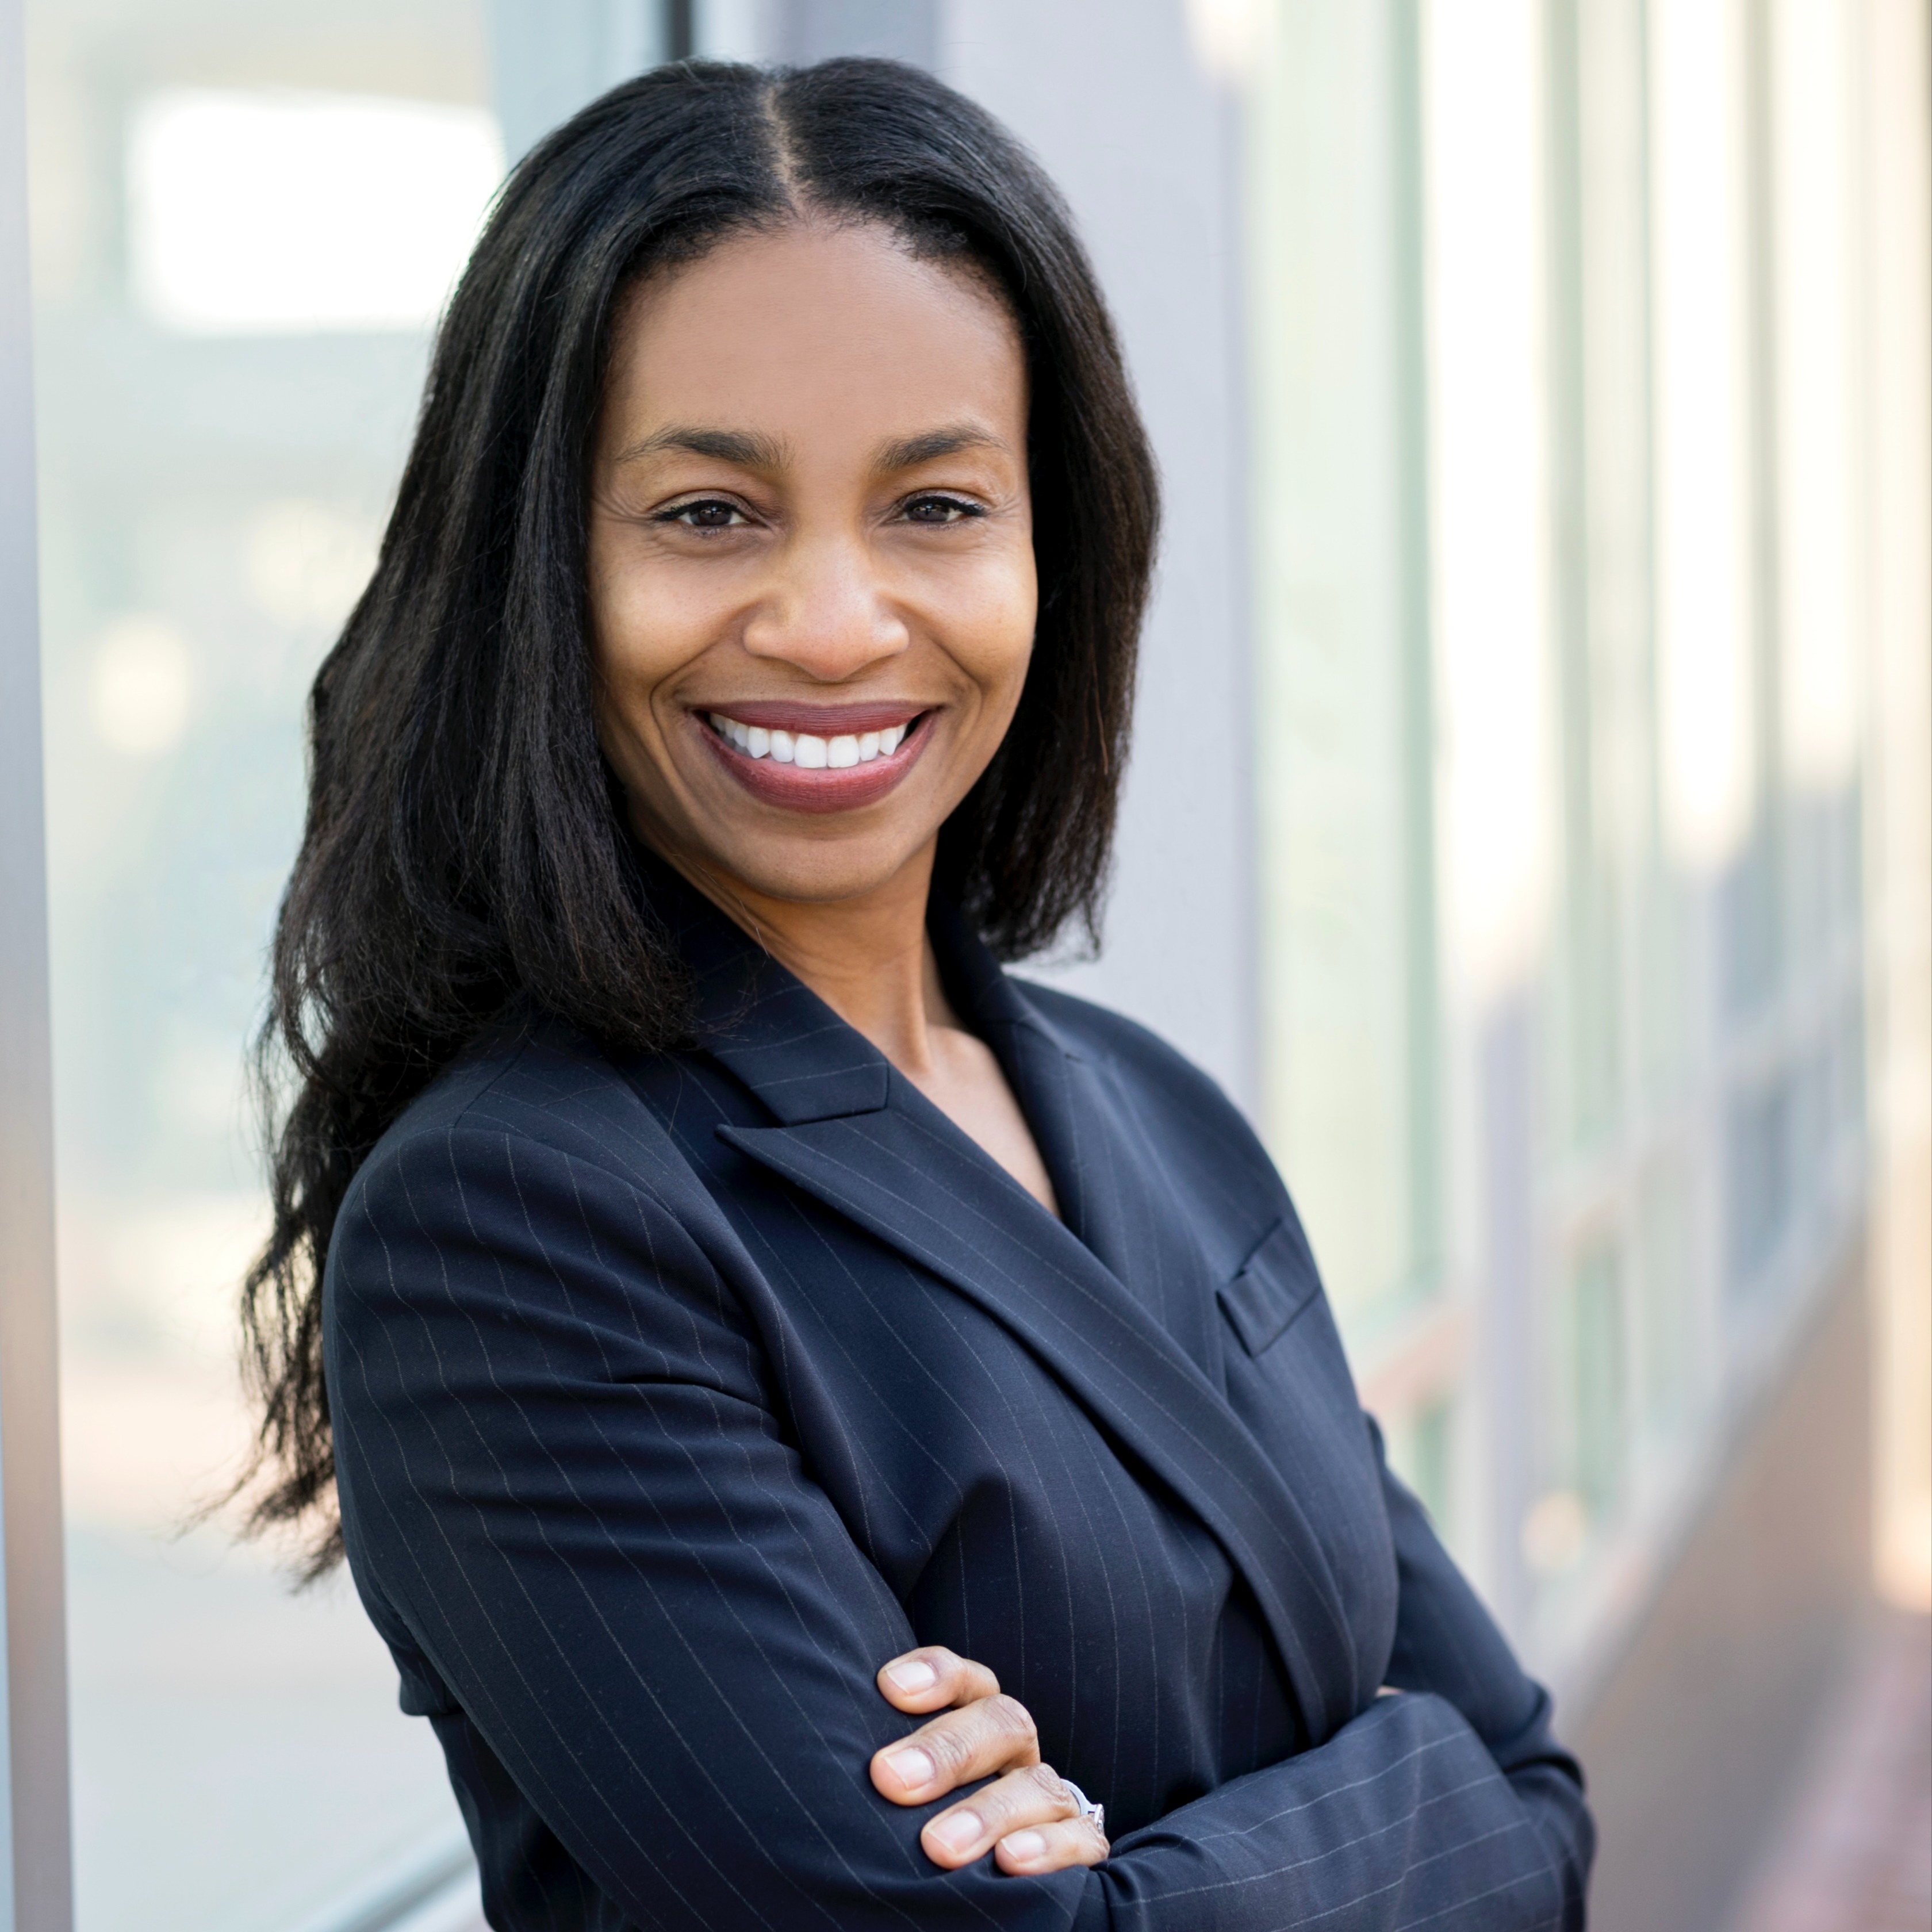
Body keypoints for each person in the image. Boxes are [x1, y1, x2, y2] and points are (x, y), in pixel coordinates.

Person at [239, 56, 1593, 1931]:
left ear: (1059, 549)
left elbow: (1541, 1799)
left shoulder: (1150, 1113)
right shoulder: (516, 1226)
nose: (831, 620)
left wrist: (1145, 1874)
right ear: (540, 568)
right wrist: (1401, 1801)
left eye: (937, 506)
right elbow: (1469, 1809)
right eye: (708, 512)